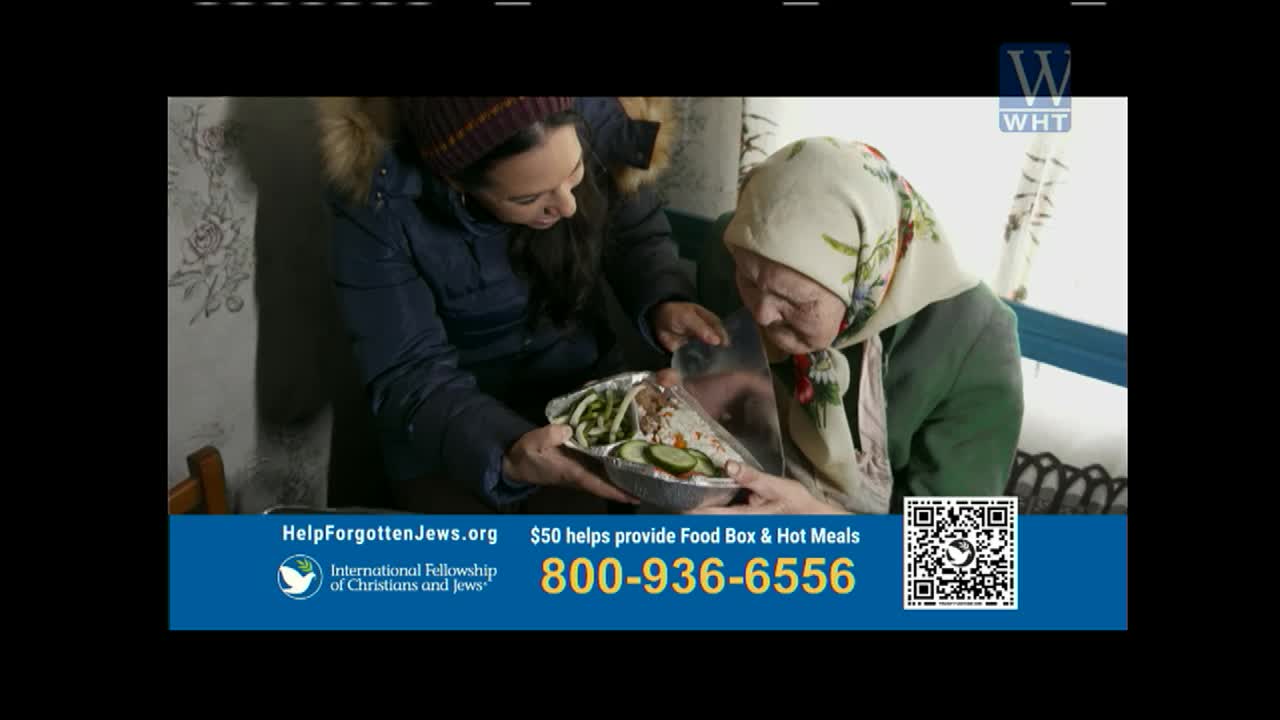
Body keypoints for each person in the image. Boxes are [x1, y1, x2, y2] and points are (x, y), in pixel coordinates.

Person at [313, 97, 726, 514]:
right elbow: (409, 374)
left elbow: (635, 232)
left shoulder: (598, 124)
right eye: (530, 198)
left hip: (588, 405)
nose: (567, 206)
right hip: (446, 435)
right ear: (458, 182)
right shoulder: (380, 206)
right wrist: (505, 454)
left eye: (575, 174)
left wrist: (663, 301)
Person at [667, 137, 1024, 515]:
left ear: (863, 286)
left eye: (797, 302)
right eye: (749, 281)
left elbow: (958, 567)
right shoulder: (738, 246)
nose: (762, 314)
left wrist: (815, 521)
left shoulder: (974, 339)